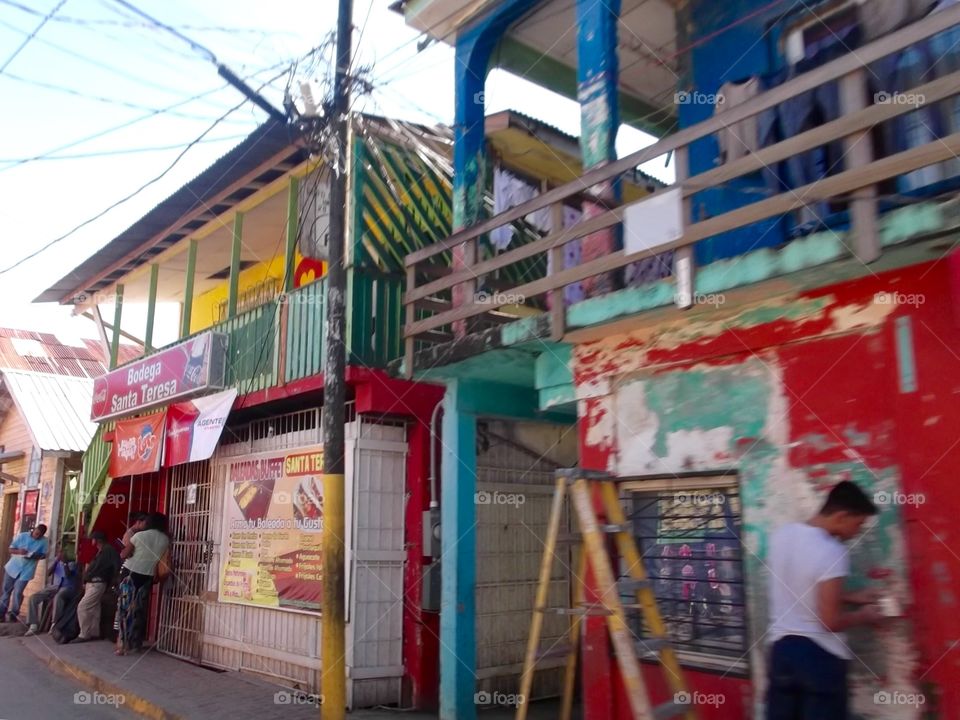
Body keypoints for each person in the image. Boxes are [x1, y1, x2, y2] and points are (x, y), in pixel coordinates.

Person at [765, 481, 886, 720]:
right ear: (841, 516)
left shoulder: (781, 536)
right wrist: (864, 616)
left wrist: (851, 596)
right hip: (819, 658)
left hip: (781, 653)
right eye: (858, 523)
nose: (858, 531)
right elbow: (829, 622)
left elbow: (799, 587)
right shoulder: (832, 551)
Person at [116, 512, 169, 655]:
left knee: (124, 610)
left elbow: (124, 554)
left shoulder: (139, 536)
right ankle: (136, 643)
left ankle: (123, 645)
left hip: (130, 574)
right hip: (147, 577)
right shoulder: (165, 540)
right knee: (139, 610)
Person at [75, 531, 120, 642]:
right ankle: (95, 633)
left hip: (98, 583)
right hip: (93, 582)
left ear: (98, 540)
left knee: (83, 607)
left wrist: (113, 582)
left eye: (93, 539)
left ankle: (84, 634)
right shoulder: (102, 551)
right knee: (94, 609)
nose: (92, 541)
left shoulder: (108, 551)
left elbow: (116, 566)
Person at [24, 544, 78, 636]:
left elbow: (68, 575)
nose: (60, 554)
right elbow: (48, 573)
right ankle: (33, 625)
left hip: (67, 587)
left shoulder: (72, 563)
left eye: (62, 552)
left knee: (58, 597)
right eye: (59, 552)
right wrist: (56, 561)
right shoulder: (56, 562)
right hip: (54, 586)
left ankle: (55, 624)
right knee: (33, 598)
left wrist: (64, 563)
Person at [0, 524, 48, 623]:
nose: (37, 536)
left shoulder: (44, 541)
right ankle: (1, 613)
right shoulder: (22, 536)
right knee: (6, 591)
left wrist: (35, 556)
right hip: (13, 567)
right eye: (36, 534)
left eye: (40, 535)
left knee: (18, 592)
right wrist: (19, 551)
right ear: (34, 530)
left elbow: (44, 555)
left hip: (27, 570)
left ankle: (14, 613)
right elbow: (10, 549)